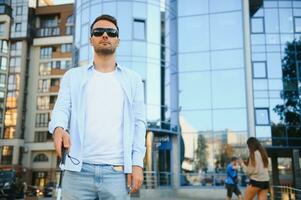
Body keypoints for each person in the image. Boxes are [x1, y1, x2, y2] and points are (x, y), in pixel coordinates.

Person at [48, 14, 146, 200]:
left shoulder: (133, 79)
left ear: (118, 40)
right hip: (77, 171)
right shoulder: (73, 76)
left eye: (111, 32)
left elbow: (139, 124)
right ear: (90, 39)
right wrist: (59, 127)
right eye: (98, 32)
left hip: (117, 173)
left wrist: (137, 164)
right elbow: (61, 108)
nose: (105, 35)